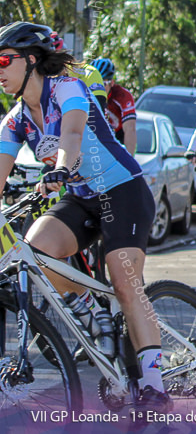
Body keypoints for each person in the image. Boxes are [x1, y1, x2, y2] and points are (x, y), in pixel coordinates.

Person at [0, 22, 169, 412]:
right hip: (81, 198)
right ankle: (93, 315)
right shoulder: (17, 119)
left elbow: (73, 135)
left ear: (31, 60)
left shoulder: (66, 88)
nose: (0, 70)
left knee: (124, 281)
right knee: (35, 249)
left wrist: (61, 166)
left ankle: (154, 385)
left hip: (121, 190)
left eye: (4, 60)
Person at [90, 57, 137, 154]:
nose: (98, 88)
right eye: (94, 83)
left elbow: (130, 129)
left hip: (118, 137)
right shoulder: (85, 93)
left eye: (103, 83)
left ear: (112, 83)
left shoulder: (122, 96)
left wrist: (130, 159)